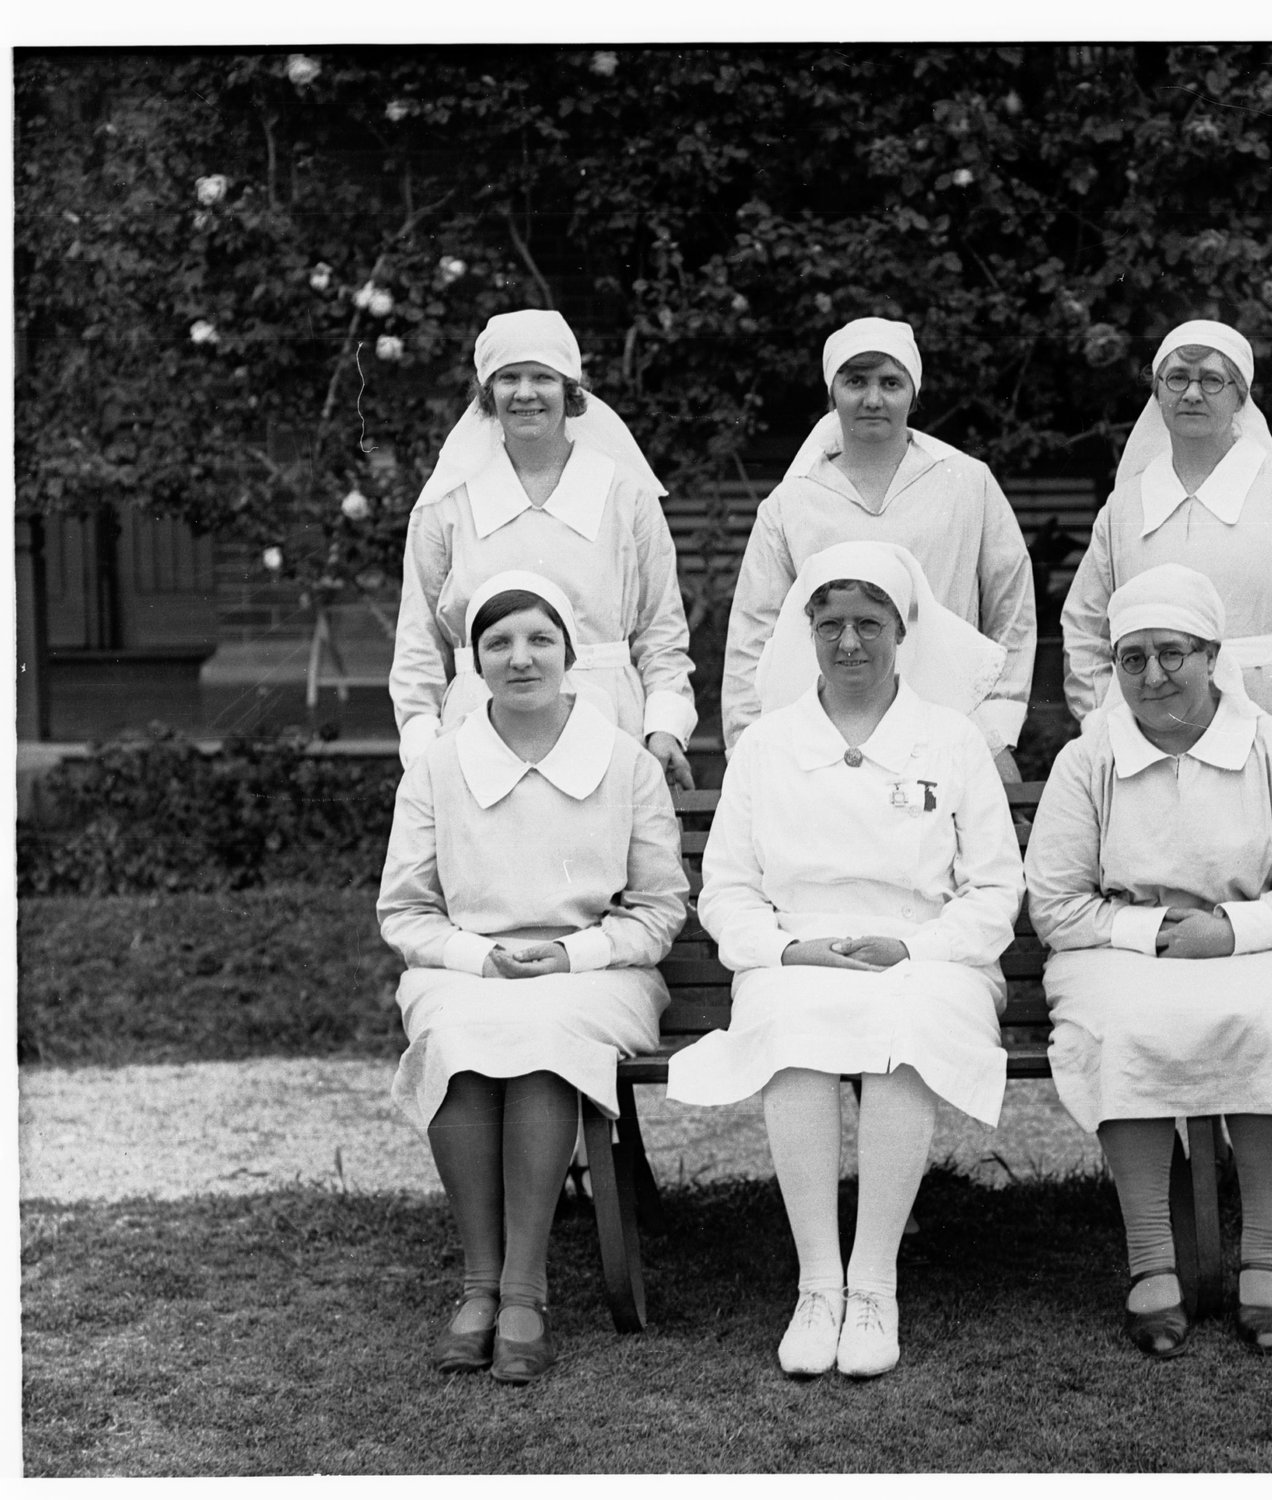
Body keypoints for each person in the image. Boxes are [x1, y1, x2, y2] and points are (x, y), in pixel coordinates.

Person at [1058, 318, 1272, 1230]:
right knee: (1180, 921)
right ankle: (1178, 1149)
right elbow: (1088, 629)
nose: (1191, 393)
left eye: (1210, 378)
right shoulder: (1128, 507)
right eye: (1174, 377)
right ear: (1156, 393)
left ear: (1243, 395)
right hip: (1158, 742)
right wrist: (1113, 733)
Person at [668, 541, 1024, 1379]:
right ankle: (817, 1284)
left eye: (870, 623)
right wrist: (792, 949)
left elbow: (995, 886)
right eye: (831, 624)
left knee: (906, 1026)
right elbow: (726, 891)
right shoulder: (767, 745)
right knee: (796, 1032)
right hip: (797, 955)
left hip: (930, 955)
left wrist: (917, 947)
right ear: (808, 631)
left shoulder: (951, 739)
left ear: (904, 630)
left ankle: (874, 1285)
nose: (850, 643)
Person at [1027, 564, 1272, 1358]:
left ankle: (1267, 1250)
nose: (1154, 675)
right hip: (1117, 946)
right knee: (1124, 1022)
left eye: (1173, 653)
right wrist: (1154, 934)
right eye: (1133, 659)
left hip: (1257, 939)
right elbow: (1057, 906)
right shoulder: (1086, 760)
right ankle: (1152, 1257)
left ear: (1211, 654)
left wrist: (1230, 931)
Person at [378, 571, 687, 1384]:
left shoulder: (625, 765)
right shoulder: (439, 769)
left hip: (598, 971)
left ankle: (523, 1291)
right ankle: (478, 1286)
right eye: (499, 643)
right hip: (467, 969)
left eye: (539, 639)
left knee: (545, 1034)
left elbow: (658, 911)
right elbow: (405, 913)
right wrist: (482, 959)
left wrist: (571, 956)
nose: (521, 659)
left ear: (569, 653)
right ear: (475, 662)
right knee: (459, 1034)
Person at [391, 308, 699, 791]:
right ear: (487, 394)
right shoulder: (447, 504)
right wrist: (423, 743)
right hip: (479, 735)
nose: (526, 393)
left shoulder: (625, 495)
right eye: (509, 378)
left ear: (570, 391)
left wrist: (663, 728)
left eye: (543, 377)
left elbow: (661, 630)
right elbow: (418, 639)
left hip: (608, 724)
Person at [721, 316, 1035, 779]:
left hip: (946, 731)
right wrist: (750, 747)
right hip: (823, 740)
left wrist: (994, 731)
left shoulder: (967, 482)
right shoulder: (792, 502)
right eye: (855, 382)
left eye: (890, 382)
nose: (872, 399)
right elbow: (754, 632)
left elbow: (1012, 608)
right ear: (833, 393)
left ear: (914, 392)